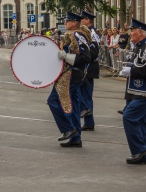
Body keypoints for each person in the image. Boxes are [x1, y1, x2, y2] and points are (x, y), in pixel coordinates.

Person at [48, 11, 91, 147]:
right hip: (72, 74)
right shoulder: (73, 34)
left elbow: (86, 57)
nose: (65, 23)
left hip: (71, 74)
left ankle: (68, 129)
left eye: (68, 21)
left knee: (53, 100)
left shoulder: (77, 34)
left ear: (74, 23)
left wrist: (66, 56)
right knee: (74, 106)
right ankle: (76, 138)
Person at [119, 18, 146, 165]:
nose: (130, 33)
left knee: (129, 117)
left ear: (140, 32)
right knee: (142, 122)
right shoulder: (138, 47)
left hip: (145, 92)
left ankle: (140, 150)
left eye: (132, 30)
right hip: (135, 90)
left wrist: (132, 71)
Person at [79, 11, 100, 131]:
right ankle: (89, 122)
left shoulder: (91, 33)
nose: (81, 20)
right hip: (87, 68)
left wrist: (80, 56)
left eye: (82, 19)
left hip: (89, 68)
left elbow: (93, 53)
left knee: (74, 88)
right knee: (86, 95)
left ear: (87, 20)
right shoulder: (86, 32)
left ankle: (85, 109)